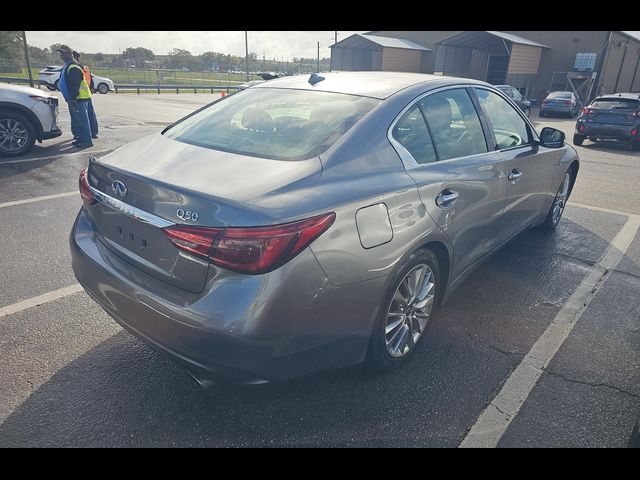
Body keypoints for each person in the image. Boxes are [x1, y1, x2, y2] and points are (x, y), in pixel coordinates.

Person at [56, 45, 93, 149]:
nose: (62, 55)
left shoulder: (73, 67)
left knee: (82, 120)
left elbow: (75, 85)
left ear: (69, 54)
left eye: (63, 53)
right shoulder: (68, 65)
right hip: (75, 98)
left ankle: (87, 140)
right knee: (78, 120)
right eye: (60, 53)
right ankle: (81, 138)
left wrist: (72, 98)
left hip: (79, 98)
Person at [72, 50, 98, 140]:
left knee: (80, 117)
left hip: (80, 96)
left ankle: (80, 134)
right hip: (86, 94)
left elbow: (89, 78)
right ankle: (92, 132)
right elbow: (90, 78)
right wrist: (91, 88)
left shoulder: (74, 68)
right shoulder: (83, 67)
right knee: (89, 115)